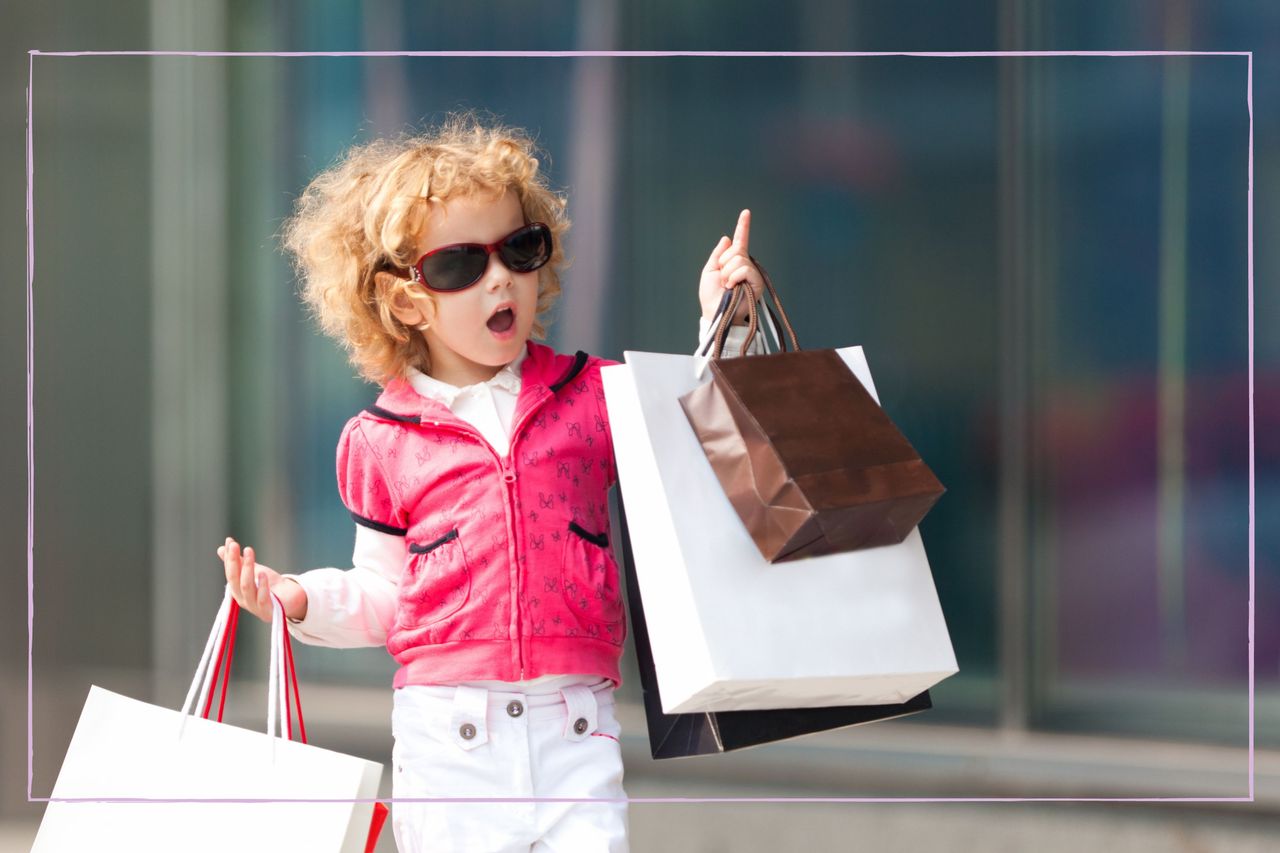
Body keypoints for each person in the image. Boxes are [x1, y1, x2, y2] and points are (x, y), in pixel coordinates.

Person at [217, 111, 766, 853]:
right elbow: (383, 596)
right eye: (460, 265)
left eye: (519, 248)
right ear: (408, 301)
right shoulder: (383, 440)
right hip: (450, 741)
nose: (500, 276)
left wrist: (719, 318)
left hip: (577, 727)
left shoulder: (594, 394)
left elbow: (703, 436)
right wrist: (300, 598)